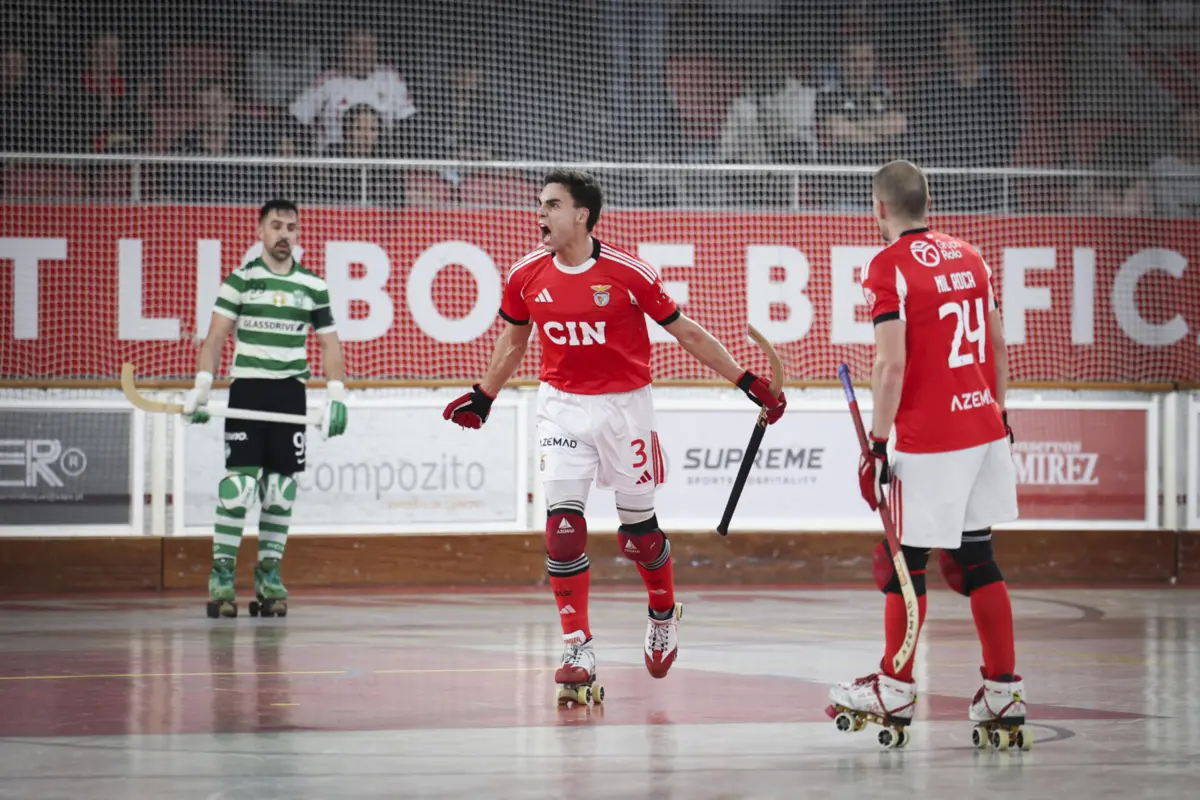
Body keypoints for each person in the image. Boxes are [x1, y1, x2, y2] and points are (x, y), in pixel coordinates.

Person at [443, 170, 787, 704]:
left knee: (640, 535)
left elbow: (686, 331)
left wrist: (745, 381)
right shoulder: (524, 275)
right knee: (562, 527)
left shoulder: (629, 273)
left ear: (582, 214)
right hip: (560, 408)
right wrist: (484, 396)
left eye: (552, 205)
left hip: (626, 409)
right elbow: (514, 343)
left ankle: (662, 611)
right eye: (540, 204)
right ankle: (577, 645)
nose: (541, 214)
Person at [831, 160, 1028, 746]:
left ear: (880, 209)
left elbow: (890, 363)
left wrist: (877, 442)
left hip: (929, 438)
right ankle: (1003, 691)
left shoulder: (886, 265)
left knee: (902, 563)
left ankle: (893, 686)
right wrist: (1000, 413)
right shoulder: (971, 256)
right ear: (927, 202)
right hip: (985, 428)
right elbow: (996, 345)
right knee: (977, 560)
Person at [184, 199, 349, 619]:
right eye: (276, 226)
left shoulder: (313, 286)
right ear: (260, 231)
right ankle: (221, 576)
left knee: (280, 491)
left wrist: (337, 393)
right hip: (248, 393)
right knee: (238, 489)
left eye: (291, 227)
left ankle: (268, 576)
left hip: (289, 396)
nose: (284, 234)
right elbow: (216, 337)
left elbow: (329, 343)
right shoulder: (241, 281)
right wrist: (203, 386)